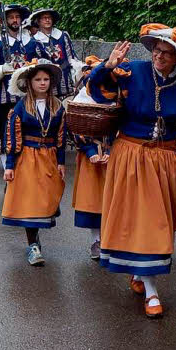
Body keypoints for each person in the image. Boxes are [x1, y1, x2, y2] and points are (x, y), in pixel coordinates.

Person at [87, 24, 176, 319]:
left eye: (167, 52)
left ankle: (140, 273)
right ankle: (151, 290)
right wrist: (106, 67)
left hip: (166, 160)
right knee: (147, 221)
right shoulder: (132, 72)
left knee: (170, 216)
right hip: (130, 155)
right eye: (157, 50)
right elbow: (97, 92)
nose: (159, 56)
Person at [1, 59, 67, 266]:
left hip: (49, 157)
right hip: (27, 157)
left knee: (44, 199)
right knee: (30, 200)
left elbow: (61, 137)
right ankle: (33, 245)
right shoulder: (21, 108)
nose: (42, 83)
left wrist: (61, 162)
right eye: (38, 79)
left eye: (46, 79)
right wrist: (10, 165)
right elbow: (11, 137)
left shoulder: (57, 107)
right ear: (29, 83)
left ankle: (36, 238)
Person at [0, 4, 32, 168]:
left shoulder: (29, 43)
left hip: (26, 97)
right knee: (5, 136)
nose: (15, 20)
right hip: (4, 98)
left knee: (26, 136)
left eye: (17, 17)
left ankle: (23, 176)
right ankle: (8, 174)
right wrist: (1, 69)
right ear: (4, 21)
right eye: (11, 17)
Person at [69, 55, 110, 259]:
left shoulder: (117, 97)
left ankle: (110, 240)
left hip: (113, 157)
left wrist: (111, 152)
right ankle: (96, 241)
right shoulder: (82, 101)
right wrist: (91, 152)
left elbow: (124, 125)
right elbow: (76, 128)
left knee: (113, 200)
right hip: (90, 158)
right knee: (93, 200)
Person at [24, 8, 80, 96]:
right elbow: (33, 64)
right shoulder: (34, 42)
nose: (47, 20)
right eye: (44, 18)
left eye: (49, 17)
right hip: (46, 84)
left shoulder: (63, 36)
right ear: (38, 21)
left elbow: (71, 57)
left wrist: (76, 77)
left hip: (66, 81)